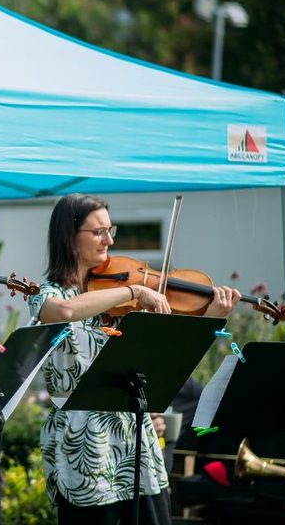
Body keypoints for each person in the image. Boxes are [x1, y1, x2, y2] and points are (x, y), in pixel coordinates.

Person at [28, 193, 241, 525]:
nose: (109, 240)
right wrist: (135, 292)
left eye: (110, 230)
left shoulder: (114, 304)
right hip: (87, 452)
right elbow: (65, 312)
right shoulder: (49, 294)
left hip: (135, 444)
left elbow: (166, 360)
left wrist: (208, 318)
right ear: (69, 236)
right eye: (98, 232)